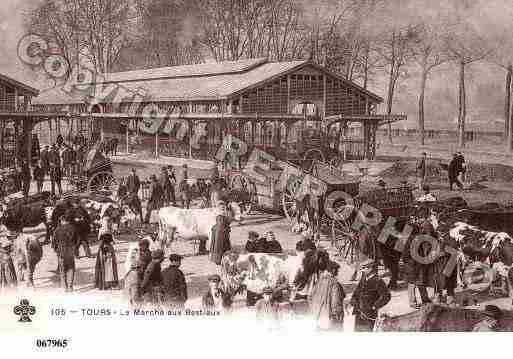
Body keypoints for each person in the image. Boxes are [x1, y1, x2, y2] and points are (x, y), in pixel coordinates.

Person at [350, 258, 391, 332]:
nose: (362, 270)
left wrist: (375, 306)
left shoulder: (378, 281)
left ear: (370, 268)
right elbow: (357, 291)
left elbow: (386, 296)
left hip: (369, 314)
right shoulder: (364, 278)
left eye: (364, 268)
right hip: (359, 312)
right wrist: (353, 299)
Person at [309, 260, 345, 331]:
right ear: (333, 270)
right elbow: (336, 302)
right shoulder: (334, 284)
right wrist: (338, 317)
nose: (337, 273)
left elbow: (310, 297)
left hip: (317, 317)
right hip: (329, 319)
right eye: (337, 270)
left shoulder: (319, 282)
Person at [53, 212, 79, 292]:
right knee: (71, 268)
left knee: (62, 269)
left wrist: (56, 249)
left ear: (62, 221)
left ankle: (64, 287)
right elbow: (78, 240)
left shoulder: (57, 230)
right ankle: (70, 287)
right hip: (70, 252)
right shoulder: (73, 228)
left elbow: (54, 242)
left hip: (61, 252)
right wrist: (75, 248)